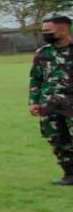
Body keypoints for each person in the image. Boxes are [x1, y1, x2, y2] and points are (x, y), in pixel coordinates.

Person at [29, 15, 73, 186]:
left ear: (63, 29)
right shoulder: (43, 53)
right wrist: (33, 101)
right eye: (43, 31)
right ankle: (69, 173)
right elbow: (36, 78)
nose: (45, 34)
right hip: (49, 104)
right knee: (57, 139)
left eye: (48, 31)